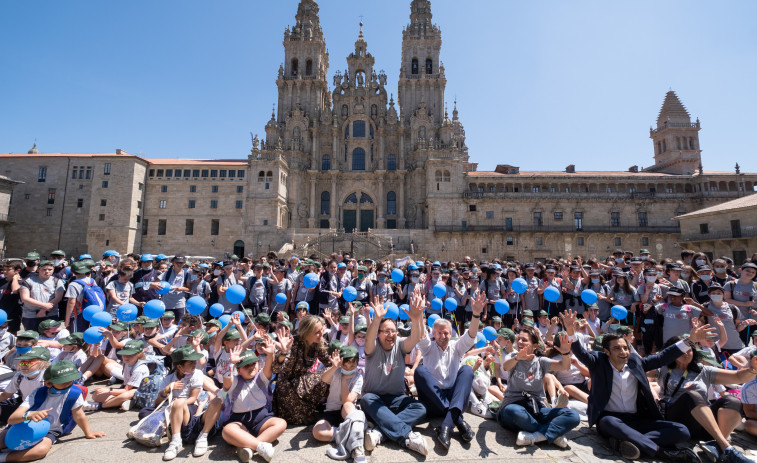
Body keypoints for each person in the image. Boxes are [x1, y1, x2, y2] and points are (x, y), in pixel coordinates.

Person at [562, 309, 707, 462]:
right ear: (606, 352)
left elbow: (662, 357)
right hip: (612, 420)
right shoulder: (598, 362)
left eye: (625, 348)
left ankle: (626, 442)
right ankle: (660, 451)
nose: (623, 352)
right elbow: (581, 354)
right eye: (617, 348)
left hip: (638, 420)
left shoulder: (635, 362)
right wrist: (571, 331)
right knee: (607, 422)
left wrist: (689, 340)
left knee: (682, 431)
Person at [657, 336, 757, 463]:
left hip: (703, 423)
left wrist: (753, 370)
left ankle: (716, 444)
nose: (686, 353)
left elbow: (738, 377)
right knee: (692, 395)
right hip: (678, 421)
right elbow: (641, 370)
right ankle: (726, 448)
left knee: (732, 401)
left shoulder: (703, 370)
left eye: (690, 350)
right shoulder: (663, 368)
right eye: (682, 350)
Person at [413, 291, 486, 449]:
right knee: (420, 371)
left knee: (467, 370)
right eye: (439, 332)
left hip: (454, 398)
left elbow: (471, 335)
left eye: (446, 332)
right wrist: (418, 315)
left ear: (451, 333)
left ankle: (445, 427)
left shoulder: (456, 347)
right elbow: (420, 335)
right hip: (432, 401)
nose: (443, 336)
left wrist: (475, 314)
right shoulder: (427, 348)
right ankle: (457, 420)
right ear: (434, 333)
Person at [360, 291, 429, 456]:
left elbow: (416, 336)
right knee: (366, 400)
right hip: (375, 398)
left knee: (420, 407)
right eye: (386, 331)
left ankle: (379, 433)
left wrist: (416, 317)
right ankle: (407, 436)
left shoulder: (400, 344)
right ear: (379, 334)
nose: (390, 335)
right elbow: (368, 340)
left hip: (397, 398)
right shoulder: (373, 346)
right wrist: (376, 319)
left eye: (393, 331)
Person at [0, 360, 105, 461]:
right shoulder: (36, 394)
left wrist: (88, 432)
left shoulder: (75, 393)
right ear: (48, 383)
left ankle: (4, 458)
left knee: (41, 451)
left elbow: (78, 414)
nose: (68, 384)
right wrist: (29, 415)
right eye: (62, 382)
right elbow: (11, 419)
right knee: (2, 439)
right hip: (25, 425)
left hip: (51, 430)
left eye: (70, 380)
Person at [496, 326, 579, 448]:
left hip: (537, 408)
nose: (519, 342)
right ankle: (553, 434)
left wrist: (565, 353)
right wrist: (518, 358)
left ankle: (537, 436)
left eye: (524, 340)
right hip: (513, 406)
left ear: (534, 346)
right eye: (519, 339)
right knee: (515, 411)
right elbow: (506, 366)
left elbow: (564, 365)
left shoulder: (541, 361)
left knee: (573, 416)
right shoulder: (513, 357)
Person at [271, 314, 331, 425]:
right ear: (307, 332)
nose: (321, 334)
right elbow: (275, 368)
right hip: (286, 385)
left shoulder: (317, 345)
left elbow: (329, 363)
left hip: (302, 382)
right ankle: (303, 413)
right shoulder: (293, 343)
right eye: (317, 332)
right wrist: (283, 353)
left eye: (322, 330)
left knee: (330, 372)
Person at [312, 346, 366, 461]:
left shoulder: (358, 377)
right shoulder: (336, 371)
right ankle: (345, 434)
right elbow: (324, 379)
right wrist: (334, 367)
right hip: (331, 411)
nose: (348, 368)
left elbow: (347, 400)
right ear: (341, 363)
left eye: (352, 365)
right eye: (345, 365)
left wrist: (345, 380)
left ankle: (356, 444)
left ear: (357, 363)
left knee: (347, 405)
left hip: (347, 412)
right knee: (317, 432)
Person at [18, 261, 64, 332]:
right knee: (32, 339)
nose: (47, 271)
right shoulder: (28, 281)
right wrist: (44, 305)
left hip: (50, 315)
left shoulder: (57, 281)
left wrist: (43, 310)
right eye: (44, 269)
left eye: (50, 269)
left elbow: (58, 298)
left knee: (50, 338)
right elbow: (25, 298)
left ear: (53, 270)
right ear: (38, 270)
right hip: (31, 316)